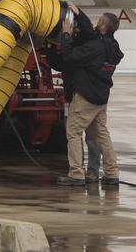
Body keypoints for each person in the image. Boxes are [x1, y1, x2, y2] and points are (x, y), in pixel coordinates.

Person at [54, 5, 123, 187]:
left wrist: (66, 34)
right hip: (101, 98)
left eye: (99, 21)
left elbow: (70, 56)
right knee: (102, 134)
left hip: (86, 97)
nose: (96, 24)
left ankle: (76, 174)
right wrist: (79, 13)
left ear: (103, 26)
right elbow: (90, 32)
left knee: (73, 132)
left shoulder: (95, 48)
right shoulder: (113, 48)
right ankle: (112, 173)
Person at [46, 10, 102, 180]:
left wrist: (77, 16)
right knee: (84, 135)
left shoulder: (86, 45)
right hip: (75, 95)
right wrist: (50, 45)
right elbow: (58, 62)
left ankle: (82, 172)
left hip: (84, 96)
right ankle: (86, 170)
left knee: (83, 135)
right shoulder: (73, 47)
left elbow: (87, 32)